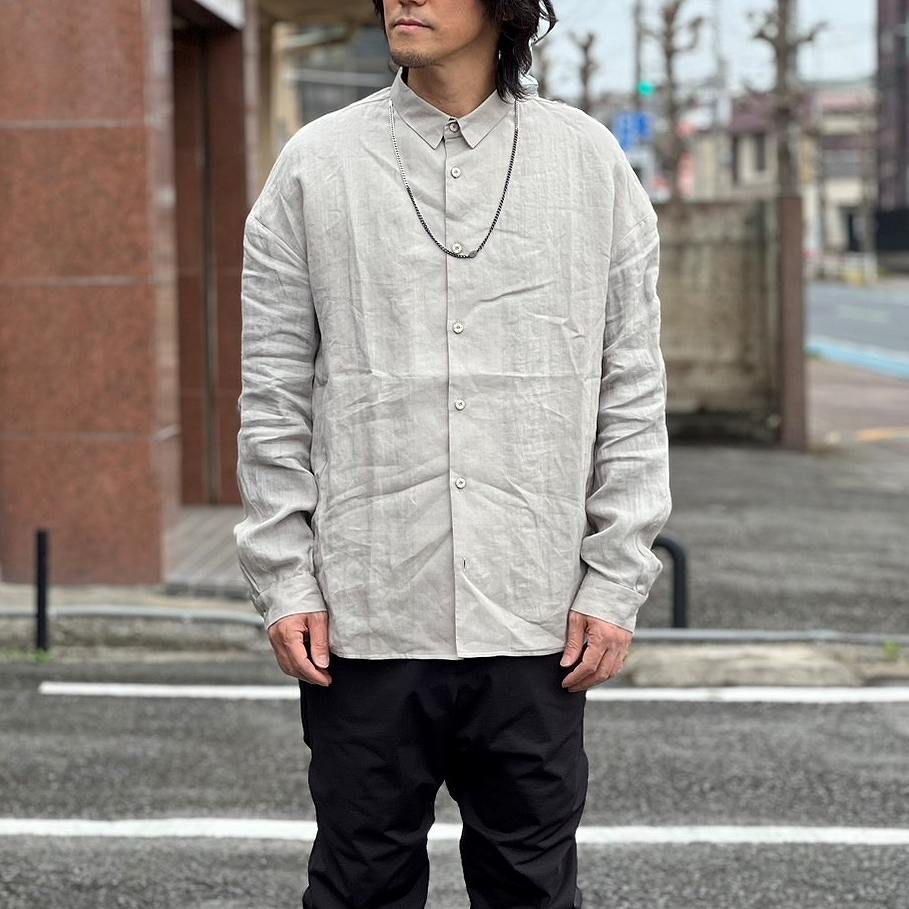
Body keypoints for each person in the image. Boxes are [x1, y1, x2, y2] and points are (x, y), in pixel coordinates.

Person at [233, 0, 672, 905]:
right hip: (366, 612)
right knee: (358, 884)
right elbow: (272, 393)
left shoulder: (587, 163)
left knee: (529, 885)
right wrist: (284, 578)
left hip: (535, 614)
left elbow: (631, 386)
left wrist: (614, 579)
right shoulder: (317, 164)